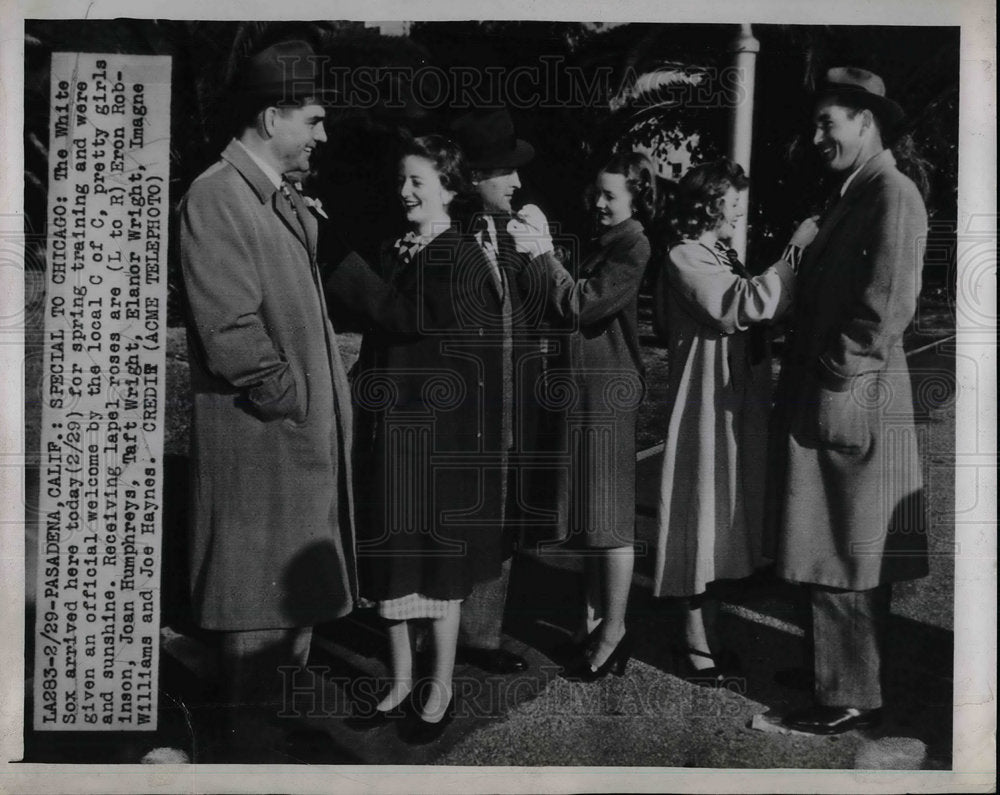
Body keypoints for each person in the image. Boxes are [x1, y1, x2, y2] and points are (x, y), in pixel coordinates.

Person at [178, 40, 357, 755]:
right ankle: (249, 755)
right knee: (257, 614)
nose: (321, 134)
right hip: (263, 448)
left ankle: (270, 739)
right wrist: (289, 401)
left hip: (290, 447)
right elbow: (231, 332)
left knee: (289, 611)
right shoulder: (217, 194)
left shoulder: (267, 195)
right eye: (312, 119)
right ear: (269, 116)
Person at [324, 134, 505, 744]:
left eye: (418, 182)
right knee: (392, 558)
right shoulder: (410, 248)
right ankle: (401, 681)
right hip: (396, 429)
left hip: (436, 440)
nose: (404, 192)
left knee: (436, 566)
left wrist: (336, 256)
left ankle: (440, 686)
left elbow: (402, 319)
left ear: (449, 188)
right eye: (401, 181)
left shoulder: (458, 255)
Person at [767, 67, 930, 734]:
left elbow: (884, 308)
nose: (814, 137)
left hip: (851, 390)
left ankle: (848, 691)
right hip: (842, 386)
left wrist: (837, 382)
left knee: (839, 543)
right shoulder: (855, 190)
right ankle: (839, 670)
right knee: (844, 540)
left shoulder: (890, 194)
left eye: (826, 124)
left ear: (867, 122)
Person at [651, 159, 818, 683]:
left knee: (720, 519)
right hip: (702, 408)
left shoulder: (716, 254)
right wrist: (794, 251)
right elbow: (741, 306)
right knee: (699, 518)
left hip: (728, 408)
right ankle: (693, 646)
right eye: (734, 202)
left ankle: (709, 640)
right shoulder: (683, 257)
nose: (740, 212)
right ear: (709, 202)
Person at [509, 151, 656, 681]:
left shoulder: (633, 244)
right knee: (595, 516)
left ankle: (614, 630)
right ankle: (594, 624)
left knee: (611, 520)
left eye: (610, 195)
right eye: (596, 192)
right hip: (585, 389)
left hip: (608, 391)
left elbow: (577, 305)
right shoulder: (603, 241)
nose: (598, 202)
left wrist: (544, 254)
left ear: (636, 197)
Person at [446, 107, 552, 676]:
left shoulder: (514, 234)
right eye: (505, 173)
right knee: (454, 516)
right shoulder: (439, 234)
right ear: (472, 178)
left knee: (503, 516)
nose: (517, 182)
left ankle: (480, 636)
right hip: (464, 408)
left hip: (512, 405)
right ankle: (429, 638)